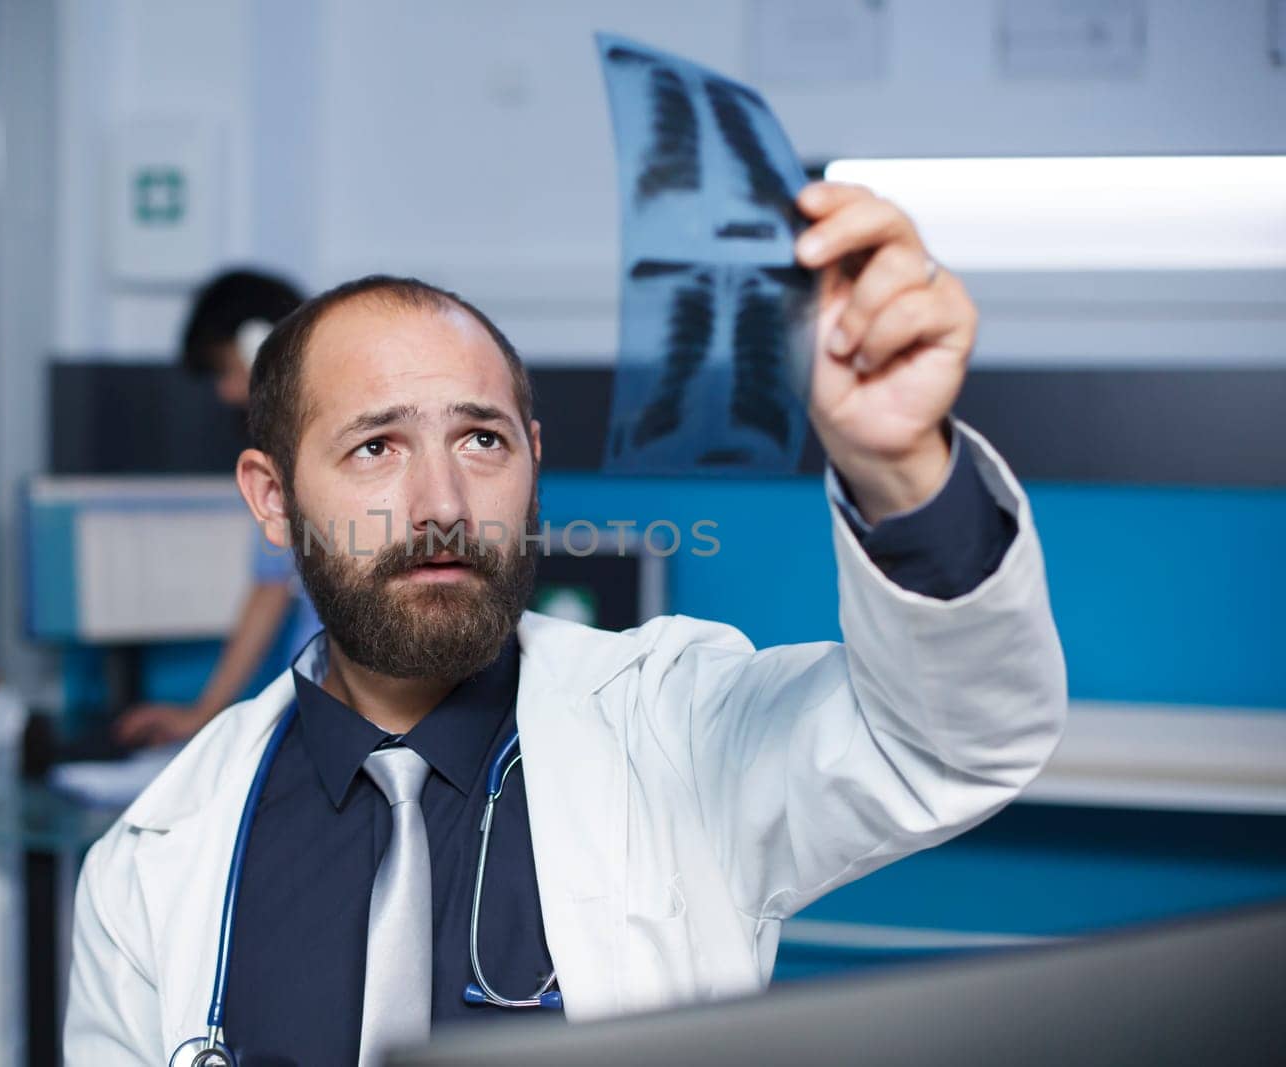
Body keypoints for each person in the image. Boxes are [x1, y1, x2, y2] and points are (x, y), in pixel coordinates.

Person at [65, 184, 1067, 1066]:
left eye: (481, 438)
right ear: (273, 498)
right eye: (375, 446)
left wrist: (899, 466)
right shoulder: (153, 864)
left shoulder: (674, 728)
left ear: (533, 460)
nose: (443, 501)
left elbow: (948, 740)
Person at [113, 269, 323, 749]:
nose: (227, 392)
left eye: (228, 370)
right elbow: (271, 582)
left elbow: (270, 590)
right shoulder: (290, 453)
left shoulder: (310, 450)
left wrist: (202, 715)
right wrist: (204, 715)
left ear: (259, 346)